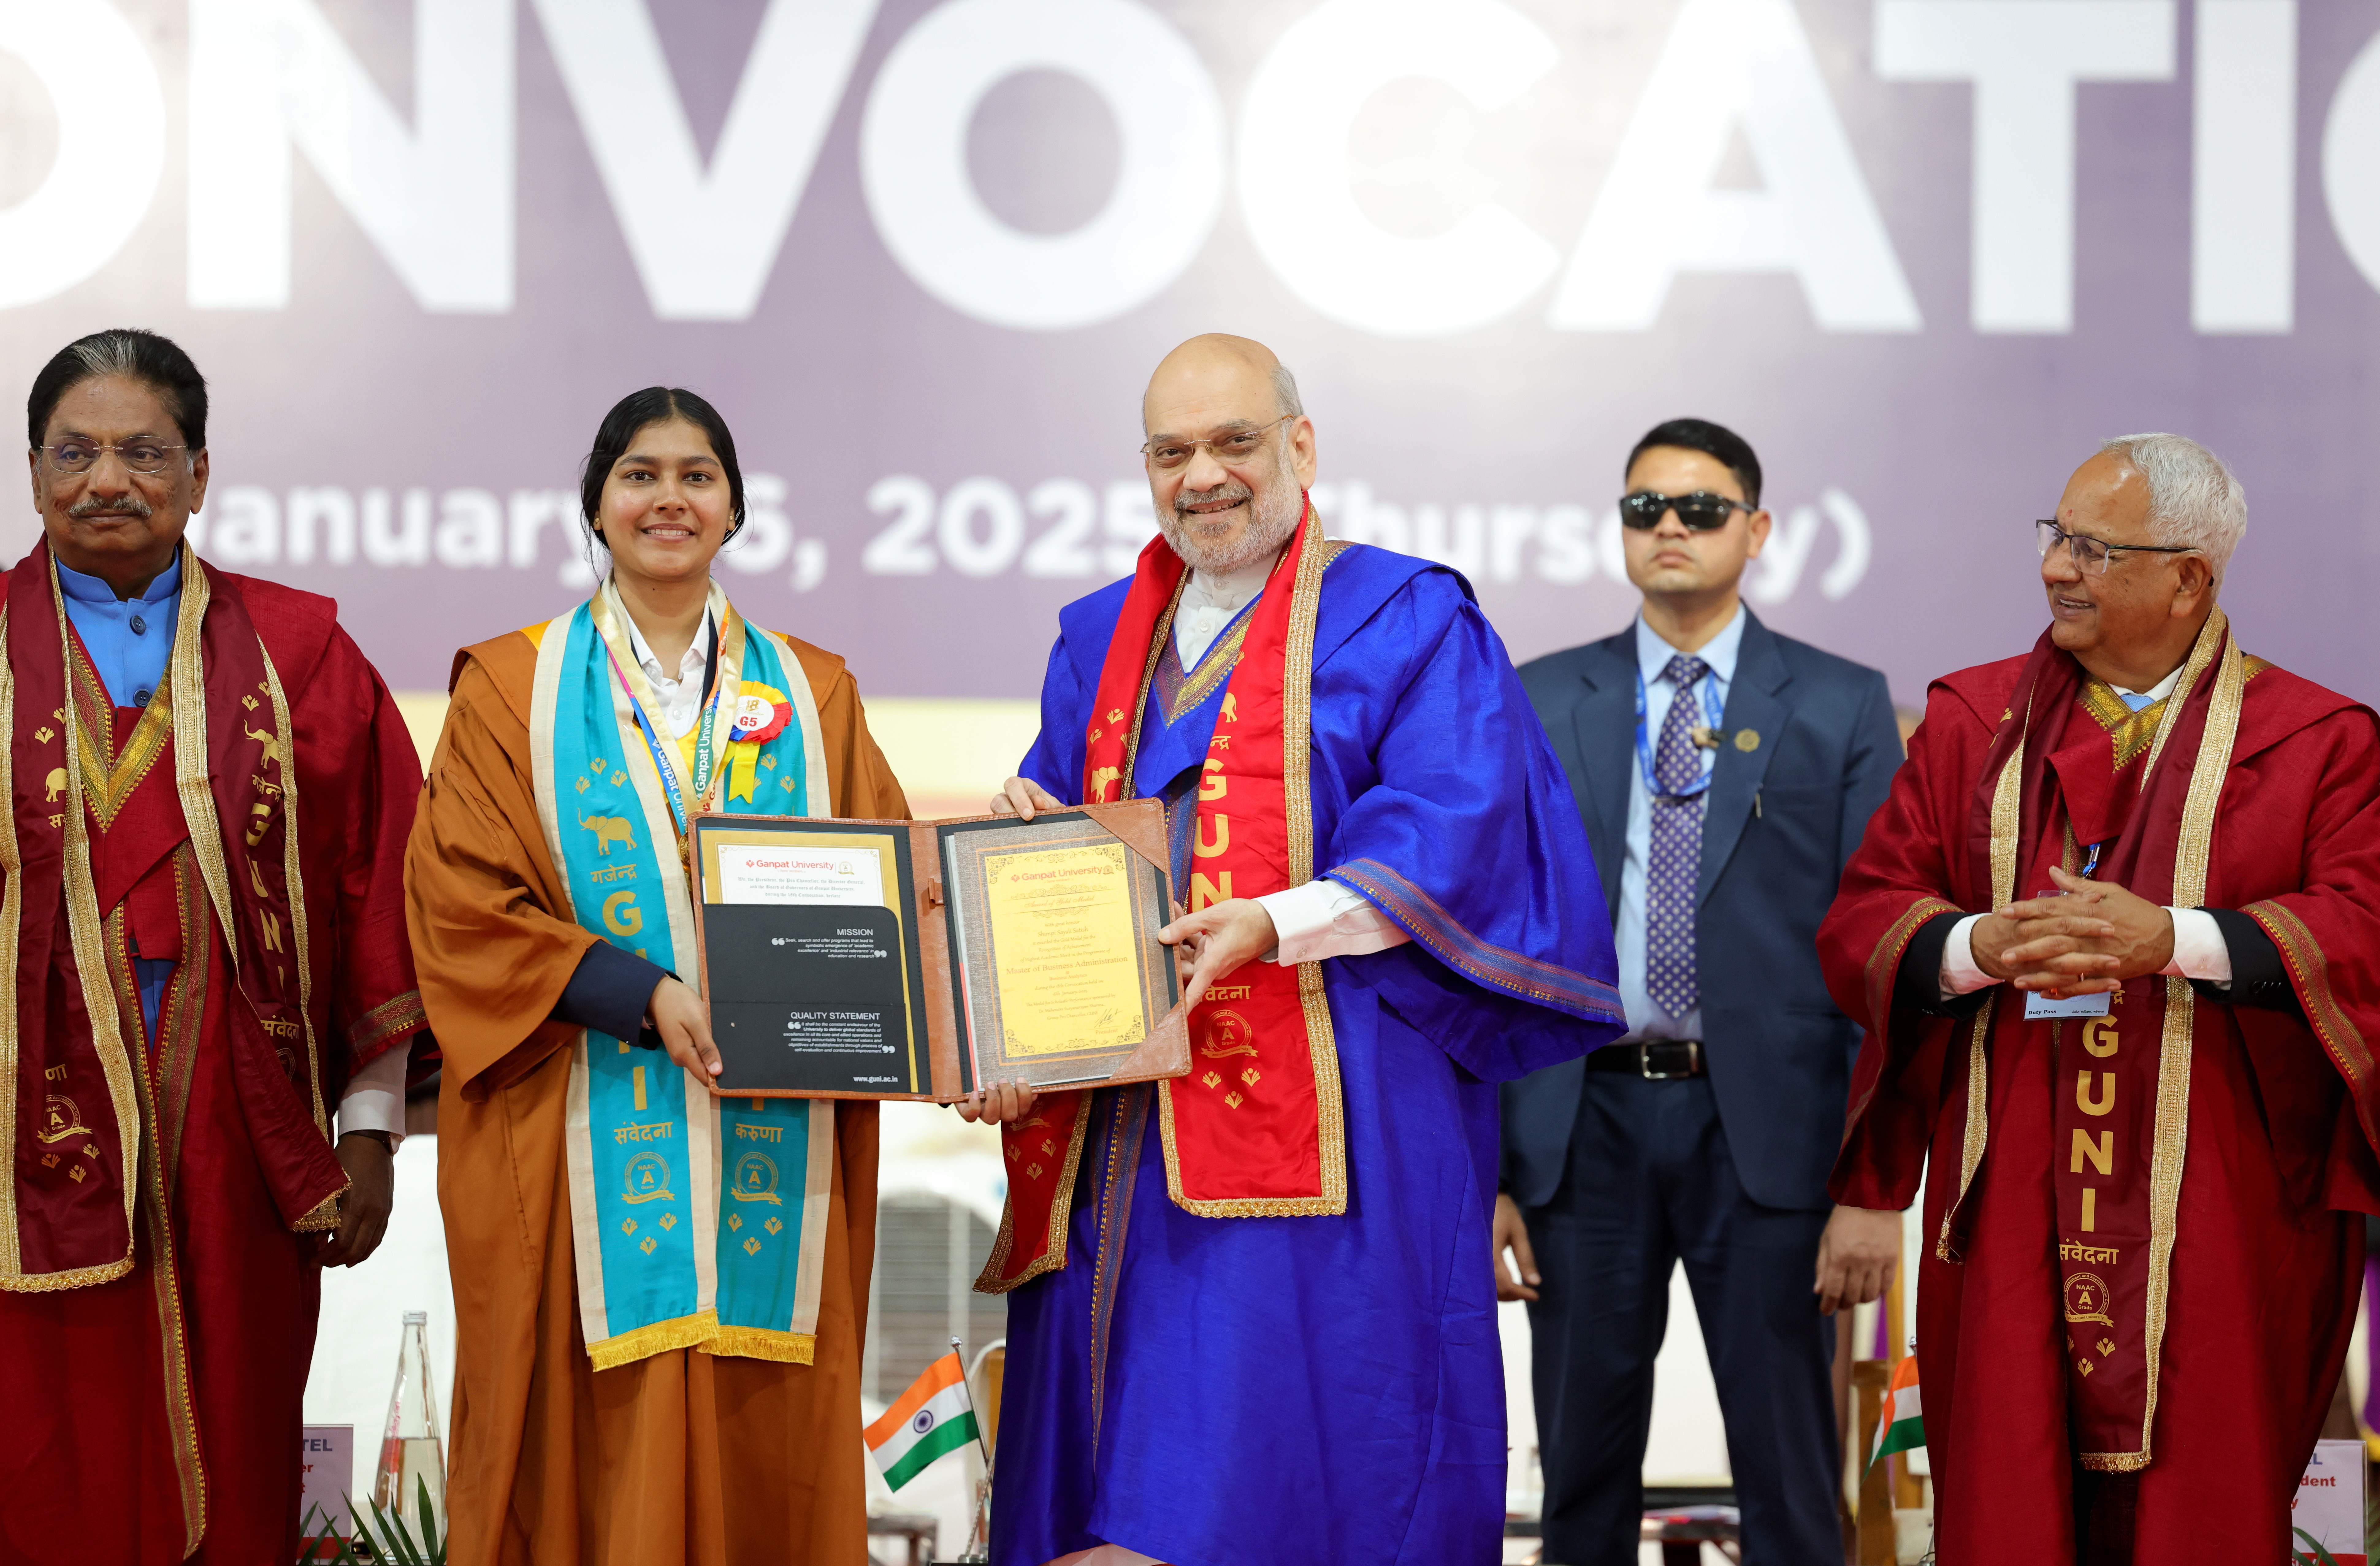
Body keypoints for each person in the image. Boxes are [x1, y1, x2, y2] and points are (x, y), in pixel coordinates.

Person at [962, 334, 1626, 1566]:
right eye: (1173, 451)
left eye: (1235, 443)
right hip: (1124, 1127)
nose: (1204, 476)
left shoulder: (1406, 613)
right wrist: (999, 1021)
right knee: (1111, 1477)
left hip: (1339, 1116)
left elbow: (1454, 824)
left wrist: (1275, 920)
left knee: (1277, 1476)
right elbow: (1053, 858)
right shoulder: (1098, 639)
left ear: (1301, 447)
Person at [1817, 435, 2380, 1563]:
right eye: (2055, 536)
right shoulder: (1972, 727)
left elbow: (2362, 928)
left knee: (2201, 1507)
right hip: (2013, 1182)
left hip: (2222, 1203)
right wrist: (1983, 944)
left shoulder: (2318, 740)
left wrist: (2169, 939)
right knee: (2009, 1491)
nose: (2054, 569)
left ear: (2188, 578)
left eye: (2092, 547)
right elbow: (1863, 916)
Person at [404, 388, 905, 1563]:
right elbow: (461, 902)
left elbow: (892, 895)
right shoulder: (508, 688)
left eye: (696, 476)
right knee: (577, 1453)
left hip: (771, 1135)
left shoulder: (812, 691)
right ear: (595, 504)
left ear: (735, 509)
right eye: (639, 474)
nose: (667, 498)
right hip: (570, 1124)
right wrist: (642, 996)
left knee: (762, 1441)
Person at [0, 328, 426, 1564]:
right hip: (23, 1126)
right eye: (75, 451)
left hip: (241, 1115)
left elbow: (372, 898)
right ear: (33, 472)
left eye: (144, 451)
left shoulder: (302, 658)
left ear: (200, 473)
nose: (107, 478)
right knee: (41, 1443)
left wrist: (368, 1130)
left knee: (233, 1424)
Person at [1502, 418, 1902, 1563]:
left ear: (1757, 528)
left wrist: (1874, 1181)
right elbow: (1496, 935)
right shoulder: (1539, 697)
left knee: (1788, 1475)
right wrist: (1488, 1172)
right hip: (1581, 1127)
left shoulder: (1838, 704)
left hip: (1769, 1135)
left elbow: (1882, 957)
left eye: (1699, 508)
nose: (1668, 527)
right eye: (1644, 509)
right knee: (1577, 1474)